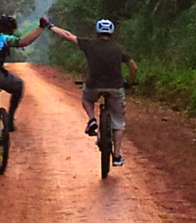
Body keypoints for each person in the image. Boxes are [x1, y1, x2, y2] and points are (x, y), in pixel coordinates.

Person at [48, 18, 137, 166]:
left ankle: (91, 119)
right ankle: (116, 156)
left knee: (87, 99)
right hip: (115, 87)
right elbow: (133, 66)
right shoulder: (118, 48)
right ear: (112, 32)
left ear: (97, 31)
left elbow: (68, 35)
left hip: (93, 85)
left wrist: (50, 26)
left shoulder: (89, 44)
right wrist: (131, 81)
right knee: (118, 122)